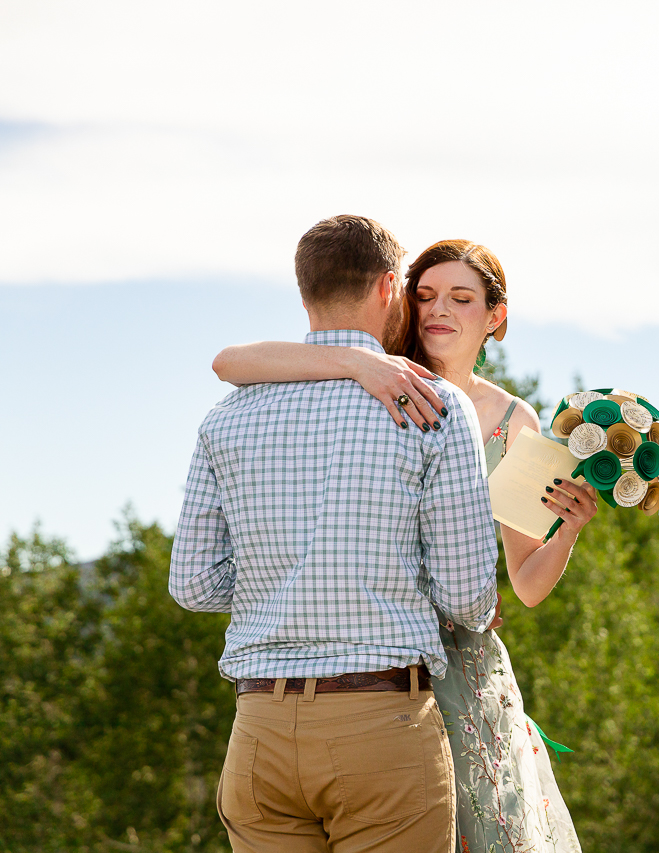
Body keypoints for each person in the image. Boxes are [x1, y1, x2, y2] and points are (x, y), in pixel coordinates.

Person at [212, 239, 594, 853]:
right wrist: (360, 365)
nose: (439, 310)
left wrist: (567, 530)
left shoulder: (514, 421)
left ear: (495, 315)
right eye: (425, 296)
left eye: (462, 298)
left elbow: (524, 584)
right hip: (365, 663)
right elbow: (230, 362)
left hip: (463, 665)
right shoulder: (379, 375)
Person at [171, 216, 500, 853]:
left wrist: (287, 579)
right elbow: (466, 597)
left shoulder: (226, 417)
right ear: (388, 289)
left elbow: (191, 584)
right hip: (383, 726)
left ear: (304, 295)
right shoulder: (429, 403)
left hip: (258, 731)